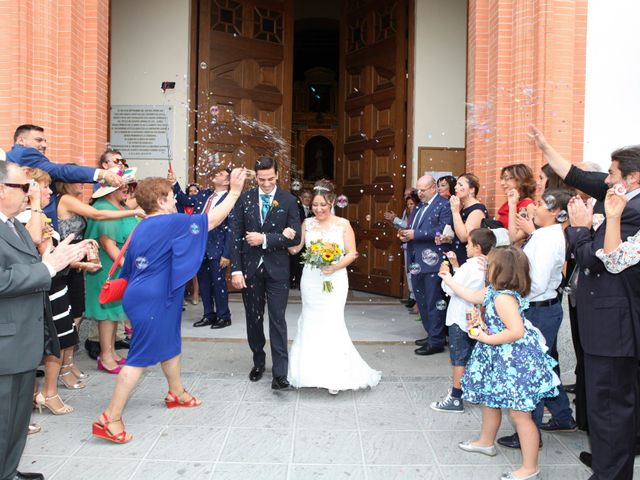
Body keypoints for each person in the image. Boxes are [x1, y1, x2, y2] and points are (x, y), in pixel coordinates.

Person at [91, 168, 247, 444]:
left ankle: (177, 393)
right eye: (171, 197)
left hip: (152, 295)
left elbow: (129, 268)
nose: (176, 201)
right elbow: (211, 220)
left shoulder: (143, 226)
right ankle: (110, 417)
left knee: (170, 343)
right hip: (155, 297)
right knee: (139, 357)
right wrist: (234, 191)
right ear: (161, 201)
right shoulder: (168, 222)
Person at [439, 246, 559, 480]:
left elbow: (516, 331)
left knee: (520, 415)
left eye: (489, 265)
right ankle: (486, 441)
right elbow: (472, 296)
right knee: (489, 399)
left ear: (500, 271)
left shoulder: (504, 298)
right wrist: (449, 280)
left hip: (513, 362)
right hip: (497, 355)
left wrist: (485, 337)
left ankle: (530, 467)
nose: (485, 268)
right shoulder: (494, 291)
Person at [0, 160, 87, 480]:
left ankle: (9, 471)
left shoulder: (11, 224)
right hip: (5, 342)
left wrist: (57, 260)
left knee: (16, 417)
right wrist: (47, 268)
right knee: (3, 418)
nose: (30, 193)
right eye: (24, 187)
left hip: (22, 338)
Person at [564, 145, 640, 480]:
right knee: (607, 408)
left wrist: (583, 229)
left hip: (616, 329)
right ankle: (609, 468)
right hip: (610, 326)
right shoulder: (621, 207)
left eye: (611, 175)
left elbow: (603, 258)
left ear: (632, 177)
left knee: (610, 409)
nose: (606, 182)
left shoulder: (630, 211)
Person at [497, 189, 577, 451]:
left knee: (529, 372)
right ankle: (563, 416)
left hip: (539, 310)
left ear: (557, 212)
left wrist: (509, 294)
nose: (535, 207)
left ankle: (528, 433)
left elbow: (538, 283)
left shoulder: (546, 239)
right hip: (544, 308)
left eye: (541, 204)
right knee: (546, 366)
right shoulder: (543, 234)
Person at [286, 180, 381, 394]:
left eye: (322, 204)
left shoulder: (343, 224)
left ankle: (335, 375)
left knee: (332, 321)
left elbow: (352, 253)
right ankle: (307, 372)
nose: (318, 209)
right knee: (310, 320)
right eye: (314, 205)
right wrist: (286, 237)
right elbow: (295, 250)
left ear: (331, 203)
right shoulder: (307, 224)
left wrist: (334, 266)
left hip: (335, 278)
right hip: (311, 279)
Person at [230, 156, 301, 389]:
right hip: (249, 270)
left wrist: (265, 239)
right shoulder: (244, 199)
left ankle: (280, 373)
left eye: (271, 179)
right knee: (253, 318)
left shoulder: (289, 201)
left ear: (278, 175)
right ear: (256, 177)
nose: (267, 183)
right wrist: (236, 270)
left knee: (278, 320)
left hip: (278, 270)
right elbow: (235, 235)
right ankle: (258, 362)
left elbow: (297, 237)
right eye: (262, 180)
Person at [6, 125, 124, 228]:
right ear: (21, 140)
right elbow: (60, 170)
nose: (44, 144)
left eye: (45, 141)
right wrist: (100, 173)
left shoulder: (14, 157)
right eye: (38, 140)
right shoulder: (25, 154)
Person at [430, 228, 495, 413]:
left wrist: (446, 274)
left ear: (477, 247)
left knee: (459, 359)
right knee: (473, 355)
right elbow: (468, 284)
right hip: (475, 317)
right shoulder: (486, 264)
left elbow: (451, 289)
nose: (465, 246)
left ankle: (456, 398)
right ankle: (474, 392)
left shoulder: (470, 266)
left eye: (469, 243)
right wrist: (455, 265)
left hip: (460, 317)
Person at [84, 170, 139, 374]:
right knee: (106, 314)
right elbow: (108, 244)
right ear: (110, 189)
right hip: (108, 267)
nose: (128, 190)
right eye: (124, 186)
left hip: (118, 266)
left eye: (130, 186)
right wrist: (128, 267)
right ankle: (105, 356)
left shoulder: (120, 205)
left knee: (115, 312)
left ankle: (112, 352)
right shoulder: (103, 207)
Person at [399, 175, 453, 355]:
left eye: (423, 190)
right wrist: (405, 234)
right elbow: (413, 228)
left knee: (433, 301)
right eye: (418, 190)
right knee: (422, 301)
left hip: (433, 262)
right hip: (417, 260)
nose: (419, 193)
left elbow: (444, 230)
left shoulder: (443, 205)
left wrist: (416, 234)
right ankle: (431, 334)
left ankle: (437, 341)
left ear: (433, 188)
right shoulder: (419, 207)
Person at [173, 168, 232, 328]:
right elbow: (185, 201)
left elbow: (232, 228)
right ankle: (208, 315)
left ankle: (224, 316)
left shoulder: (230, 199)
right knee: (204, 283)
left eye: (220, 174)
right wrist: (174, 183)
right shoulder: (205, 194)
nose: (216, 175)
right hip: (199, 246)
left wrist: (227, 253)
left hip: (217, 247)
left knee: (218, 283)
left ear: (227, 182)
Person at [449, 173, 488, 265]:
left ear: (472, 189)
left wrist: (455, 211)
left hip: (468, 258)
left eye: (460, 185)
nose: (455, 187)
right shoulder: (463, 208)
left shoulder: (477, 210)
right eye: (456, 184)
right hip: (457, 255)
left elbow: (464, 237)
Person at [495, 164, 536, 243]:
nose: (502, 183)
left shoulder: (527, 205)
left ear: (520, 180)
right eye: (502, 179)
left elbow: (513, 239)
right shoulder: (508, 203)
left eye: (507, 179)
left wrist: (512, 206)